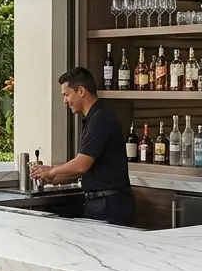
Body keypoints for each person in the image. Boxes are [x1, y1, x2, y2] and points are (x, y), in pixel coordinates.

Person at [30, 67, 134, 226]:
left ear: (81, 91)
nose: (65, 101)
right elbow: (86, 168)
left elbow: (81, 165)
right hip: (104, 203)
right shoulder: (95, 117)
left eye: (66, 95)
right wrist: (53, 177)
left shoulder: (100, 119)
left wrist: (51, 171)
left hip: (109, 205)